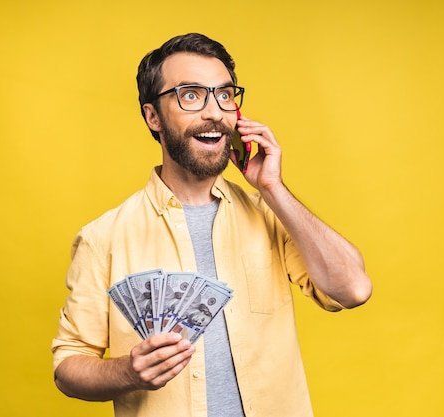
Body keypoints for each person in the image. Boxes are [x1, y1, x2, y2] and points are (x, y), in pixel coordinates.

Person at [51, 32, 372, 417]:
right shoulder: (103, 236)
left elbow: (353, 288)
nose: (215, 112)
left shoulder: (269, 214)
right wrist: (128, 371)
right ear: (152, 116)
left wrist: (273, 188)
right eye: (190, 95)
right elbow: (68, 367)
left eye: (224, 94)